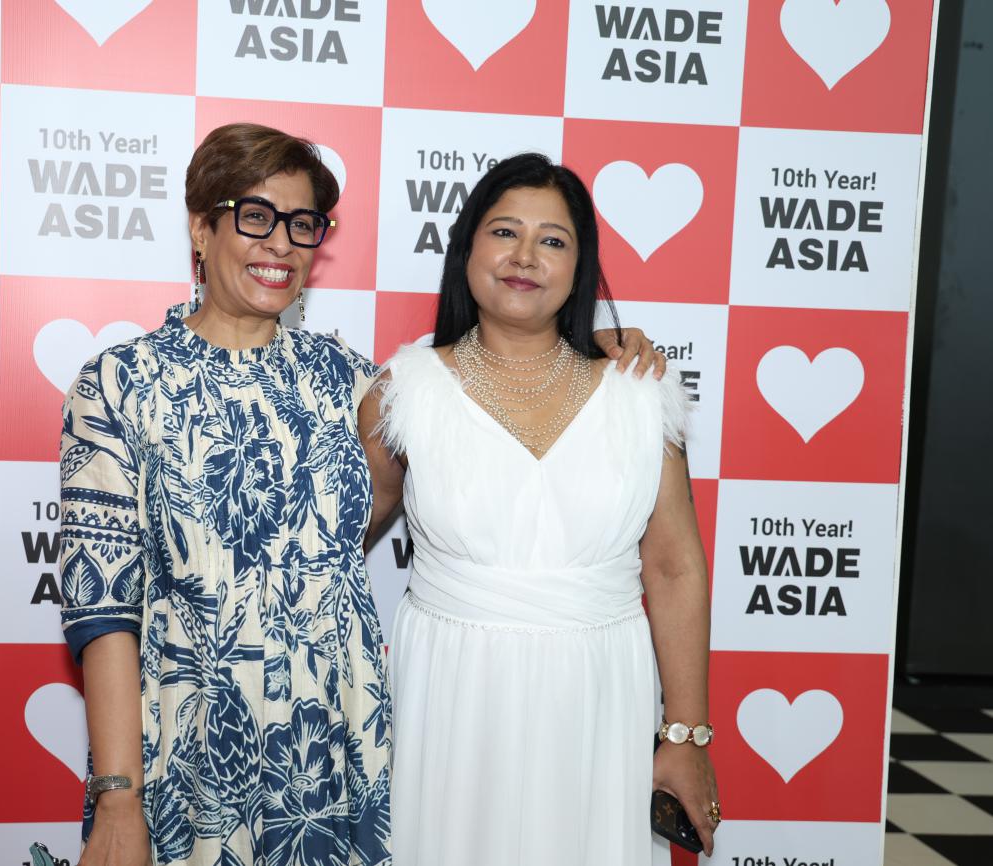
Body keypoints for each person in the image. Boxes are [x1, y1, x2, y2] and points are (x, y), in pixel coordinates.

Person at [57, 125, 664, 866]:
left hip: (338, 760)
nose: (280, 244)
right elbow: (102, 609)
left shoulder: (356, 384)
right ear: (200, 228)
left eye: (302, 224)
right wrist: (118, 795)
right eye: (255, 216)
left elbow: (484, 410)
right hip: (192, 757)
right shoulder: (120, 384)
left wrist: (596, 350)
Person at [359, 153, 718, 865]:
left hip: (599, 693)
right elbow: (337, 539)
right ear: (467, 248)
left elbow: (675, 568)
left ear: (580, 267)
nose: (525, 256)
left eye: (552, 240)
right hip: (453, 693)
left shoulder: (641, 392)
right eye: (504, 232)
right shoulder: (403, 391)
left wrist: (685, 735)